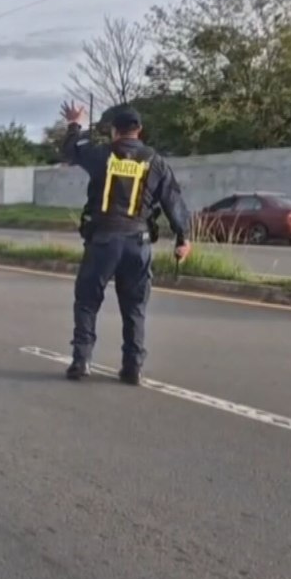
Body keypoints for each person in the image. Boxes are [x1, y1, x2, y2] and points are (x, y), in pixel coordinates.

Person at [59, 102, 192, 384]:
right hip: (138, 243)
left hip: (103, 241)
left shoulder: (102, 155)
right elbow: (173, 200)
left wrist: (75, 125)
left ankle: (81, 361)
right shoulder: (155, 161)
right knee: (134, 308)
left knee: (87, 302)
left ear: (114, 131)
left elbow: (70, 152)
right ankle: (133, 367)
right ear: (139, 130)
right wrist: (183, 238)